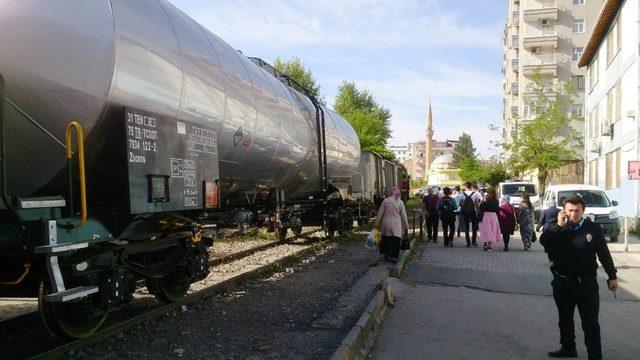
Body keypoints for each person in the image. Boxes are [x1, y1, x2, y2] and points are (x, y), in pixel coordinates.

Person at [540, 196, 618, 360]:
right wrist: (559, 226)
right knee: (565, 319)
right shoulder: (557, 228)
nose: (574, 214)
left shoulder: (593, 228)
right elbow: (544, 241)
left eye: (577, 211)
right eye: (570, 210)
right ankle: (568, 348)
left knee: (590, 322)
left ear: (583, 211)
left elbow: (603, 254)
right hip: (562, 282)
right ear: (564, 211)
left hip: (586, 283)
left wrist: (612, 276)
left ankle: (595, 355)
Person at [375, 187, 409, 262]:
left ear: (390, 193)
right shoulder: (400, 202)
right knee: (396, 240)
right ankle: (394, 257)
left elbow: (380, 213)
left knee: (387, 239)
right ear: (398, 193)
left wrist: (377, 223)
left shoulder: (385, 201)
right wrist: (406, 225)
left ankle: (387, 255)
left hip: (386, 223)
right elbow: (404, 215)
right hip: (396, 224)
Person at [461, 182, 482, 247]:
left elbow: (461, 204)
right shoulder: (475, 194)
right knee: (474, 227)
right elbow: (476, 204)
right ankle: (474, 241)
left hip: (465, 212)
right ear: (471, 186)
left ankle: (468, 243)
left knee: (467, 227)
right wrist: (478, 211)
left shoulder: (463, 194)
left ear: (466, 187)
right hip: (473, 212)